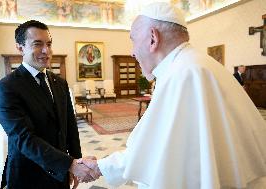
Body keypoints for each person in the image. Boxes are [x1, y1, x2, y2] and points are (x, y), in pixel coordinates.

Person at [78, 2, 266, 189]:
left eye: (133, 40)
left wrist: (100, 166)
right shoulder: (199, 64)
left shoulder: (182, 74)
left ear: (153, 38)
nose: (132, 52)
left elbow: (155, 152)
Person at [0, 20, 99, 189]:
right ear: (20, 48)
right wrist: (70, 164)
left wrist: (78, 161)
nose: (46, 51)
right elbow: (24, 138)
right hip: (28, 176)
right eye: (37, 44)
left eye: (49, 44)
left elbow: (70, 126)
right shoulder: (5, 88)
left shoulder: (60, 83)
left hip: (60, 174)